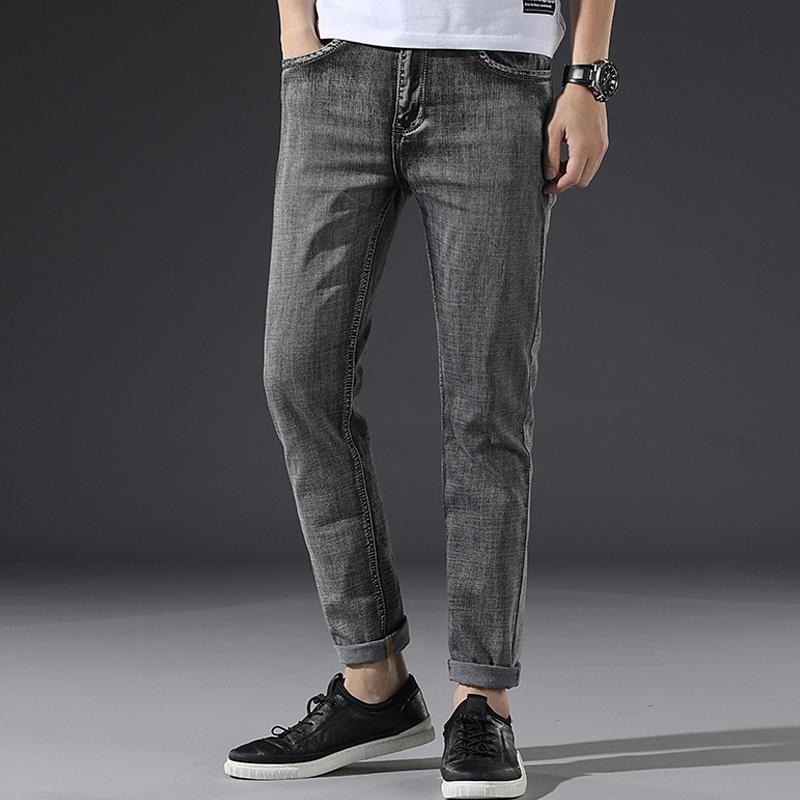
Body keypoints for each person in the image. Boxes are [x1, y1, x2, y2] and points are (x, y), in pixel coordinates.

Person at [225, 0, 618, 796]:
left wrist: (587, 79)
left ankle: (482, 702)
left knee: (486, 401)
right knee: (298, 375)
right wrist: (296, 30)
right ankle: (374, 684)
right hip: (338, 70)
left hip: (496, 73)